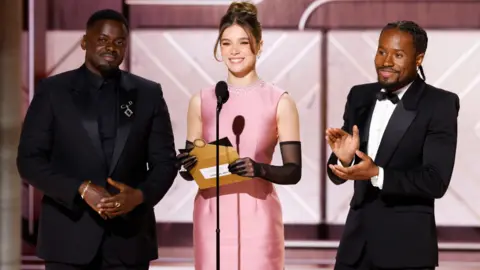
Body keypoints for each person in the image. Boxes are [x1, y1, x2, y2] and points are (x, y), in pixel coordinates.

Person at [16, 9, 177, 270]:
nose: (111, 47)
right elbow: (29, 161)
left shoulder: (148, 94)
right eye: (102, 39)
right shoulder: (53, 91)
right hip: (68, 239)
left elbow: (165, 163)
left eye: (119, 41)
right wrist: (81, 189)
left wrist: (137, 196)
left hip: (129, 242)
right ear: (84, 42)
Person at [176, 1, 302, 269]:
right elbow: (190, 171)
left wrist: (258, 169)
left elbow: (293, 171)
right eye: (226, 43)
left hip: (259, 217)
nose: (234, 51)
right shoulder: (202, 100)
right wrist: (187, 166)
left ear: (259, 44)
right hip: (212, 217)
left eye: (243, 42)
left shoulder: (280, 101)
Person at [326, 21, 460, 270]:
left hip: (407, 251)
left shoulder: (439, 104)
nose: (386, 61)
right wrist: (345, 161)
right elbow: (338, 171)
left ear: (418, 58)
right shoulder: (360, 96)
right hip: (354, 250)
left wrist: (377, 174)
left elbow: (435, 180)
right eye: (381, 51)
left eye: (398, 55)